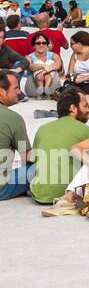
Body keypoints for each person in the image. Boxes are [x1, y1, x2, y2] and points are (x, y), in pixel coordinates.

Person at [26, 90, 89, 204]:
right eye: (85, 106)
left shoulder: (43, 129)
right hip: (69, 194)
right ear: (73, 108)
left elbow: (32, 160)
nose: (88, 110)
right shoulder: (88, 131)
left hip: (39, 195)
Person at [0, 72, 31, 200]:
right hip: (2, 187)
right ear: (2, 91)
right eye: (16, 88)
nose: (19, 92)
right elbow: (27, 157)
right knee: (39, 168)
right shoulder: (13, 118)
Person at [24, 33, 64, 100]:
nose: (41, 45)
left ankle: (46, 87)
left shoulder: (54, 55)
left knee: (50, 62)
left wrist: (44, 71)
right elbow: (29, 66)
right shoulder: (29, 57)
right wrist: (43, 66)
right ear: (34, 45)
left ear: (47, 44)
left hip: (52, 90)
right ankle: (40, 87)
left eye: (44, 43)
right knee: (39, 63)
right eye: (38, 43)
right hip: (34, 90)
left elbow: (58, 65)